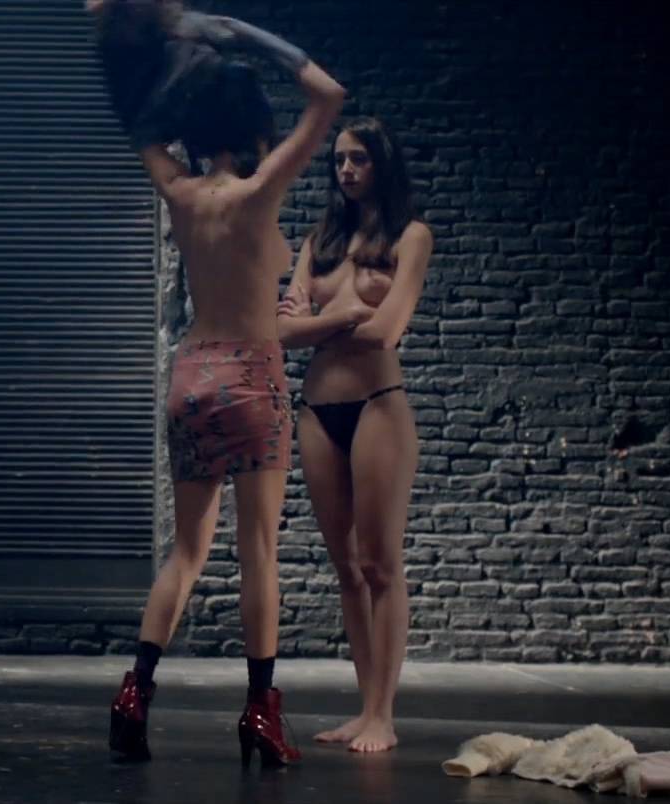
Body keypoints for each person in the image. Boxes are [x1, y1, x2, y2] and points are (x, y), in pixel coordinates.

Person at [88, 0, 345, 768]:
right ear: (257, 129)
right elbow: (328, 95)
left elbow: (136, 124)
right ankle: (261, 712)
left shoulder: (179, 190)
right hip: (251, 375)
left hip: (191, 376)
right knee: (258, 551)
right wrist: (235, 33)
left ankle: (135, 692)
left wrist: (136, 51)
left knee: (186, 552)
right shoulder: (262, 190)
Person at [277, 116, 433, 754]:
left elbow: (387, 330)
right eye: (339, 159)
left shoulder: (411, 236)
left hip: (377, 405)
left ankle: (383, 716)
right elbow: (279, 332)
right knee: (346, 569)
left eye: (359, 159)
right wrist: (344, 315)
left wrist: (320, 319)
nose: (345, 169)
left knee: (380, 565)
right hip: (317, 411)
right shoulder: (319, 240)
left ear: (382, 164)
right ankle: (363, 708)